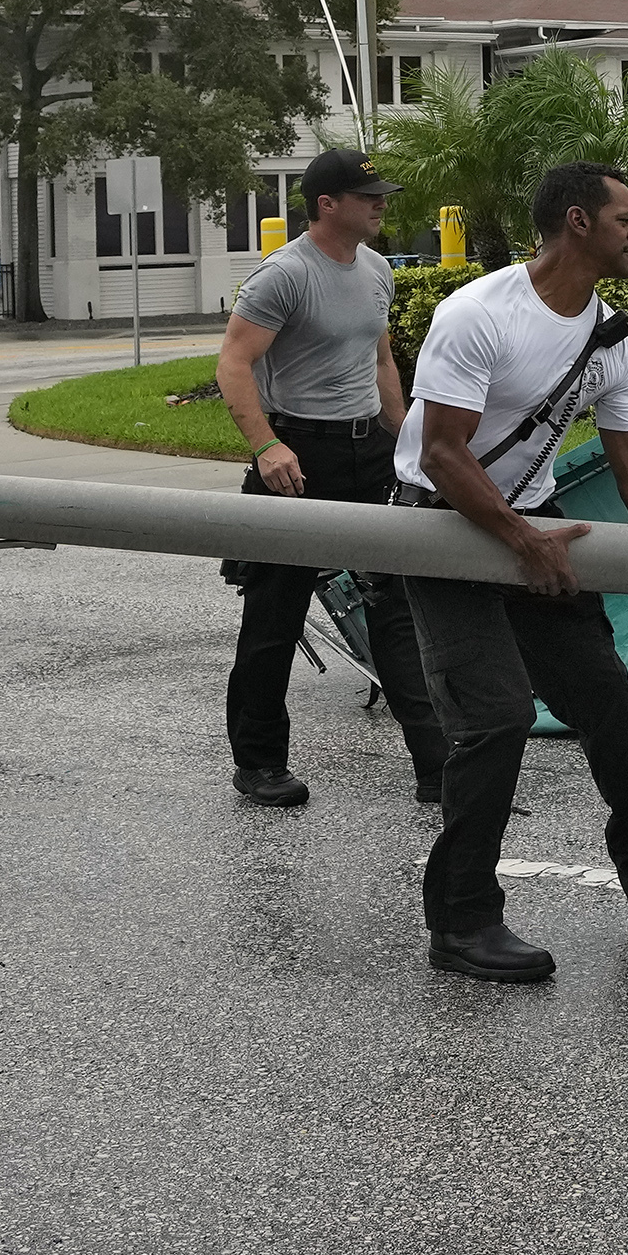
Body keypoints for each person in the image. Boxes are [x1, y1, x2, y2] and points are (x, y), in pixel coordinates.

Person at [391, 160, 628, 983]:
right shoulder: (479, 315)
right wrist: (520, 539)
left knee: (612, 705)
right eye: (626, 219)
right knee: (497, 716)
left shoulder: (615, 342)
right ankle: (463, 921)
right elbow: (441, 454)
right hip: (441, 529)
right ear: (579, 221)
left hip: (530, 527)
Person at [212, 147, 444, 809]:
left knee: (396, 612)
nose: (381, 205)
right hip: (298, 456)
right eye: (369, 197)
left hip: (367, 452)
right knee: (274, 620)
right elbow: (233, 364)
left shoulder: (376, 270)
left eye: (382, 196)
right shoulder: (284, 276)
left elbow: (380, 362)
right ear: (327, 205)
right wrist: (266, 446)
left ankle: (438, 769)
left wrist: (406, 443)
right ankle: (259, 764)